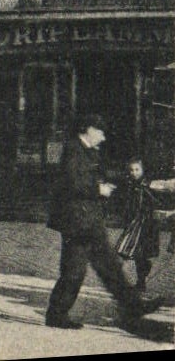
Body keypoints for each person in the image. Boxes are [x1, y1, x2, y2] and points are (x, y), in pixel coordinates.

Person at [45, 112, 161, 335]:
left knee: (95, 268)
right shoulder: (73, 149)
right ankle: (58, 314)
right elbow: (71, 182)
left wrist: (120, 179)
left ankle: (58, 314)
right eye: (100, 132)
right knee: (85, 269)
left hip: (86, 220)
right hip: (77, 221)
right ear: (88, 129)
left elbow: (96, 174)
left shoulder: (87, 150)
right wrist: (98, 189)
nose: (104, 137)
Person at [117, 157, 160, 294]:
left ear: (142, 170)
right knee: (132, 253)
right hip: (133, 224)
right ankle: (138, 281)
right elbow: (126, 203)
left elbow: (155, 202)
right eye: (131, 170)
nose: (134, 172)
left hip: (146, 225)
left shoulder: (147, 185)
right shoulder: (130, 185)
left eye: (137, 169)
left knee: (141, 254)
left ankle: (141, 280)